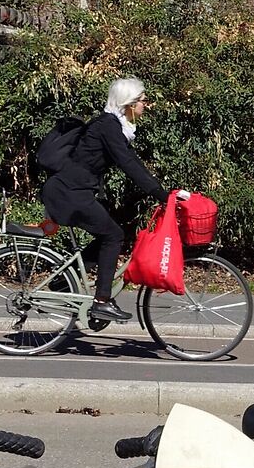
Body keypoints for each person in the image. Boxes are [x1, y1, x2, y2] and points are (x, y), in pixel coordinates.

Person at [38, 76, 174, 322]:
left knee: (109, 231)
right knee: (113, 235)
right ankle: (102, 301)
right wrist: (163, 195)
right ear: (129, 103)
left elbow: (134, 164)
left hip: (73, 191)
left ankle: (62, 279)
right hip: (69, 193)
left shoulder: (113, 126)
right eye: (143, 101)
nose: (146, 105)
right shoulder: (108, 126)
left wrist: (164, 192)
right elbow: (128, 164)